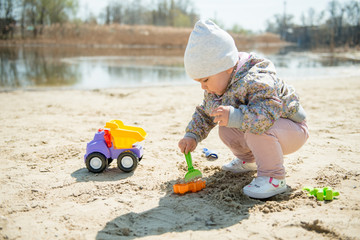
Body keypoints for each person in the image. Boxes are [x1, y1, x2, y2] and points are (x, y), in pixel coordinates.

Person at [178, 19, 309, 199]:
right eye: (199, 82)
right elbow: (206, 112)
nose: (203, 87)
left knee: (254, 128)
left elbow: (266, 114)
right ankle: (249, 161)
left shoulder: (256, 78)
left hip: (291, 129)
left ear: (226, 67)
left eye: (205, 80)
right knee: (225, 127)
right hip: (264, 127)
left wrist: (236, 116)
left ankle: (274, 177)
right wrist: (192, 135)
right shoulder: (218, 87)